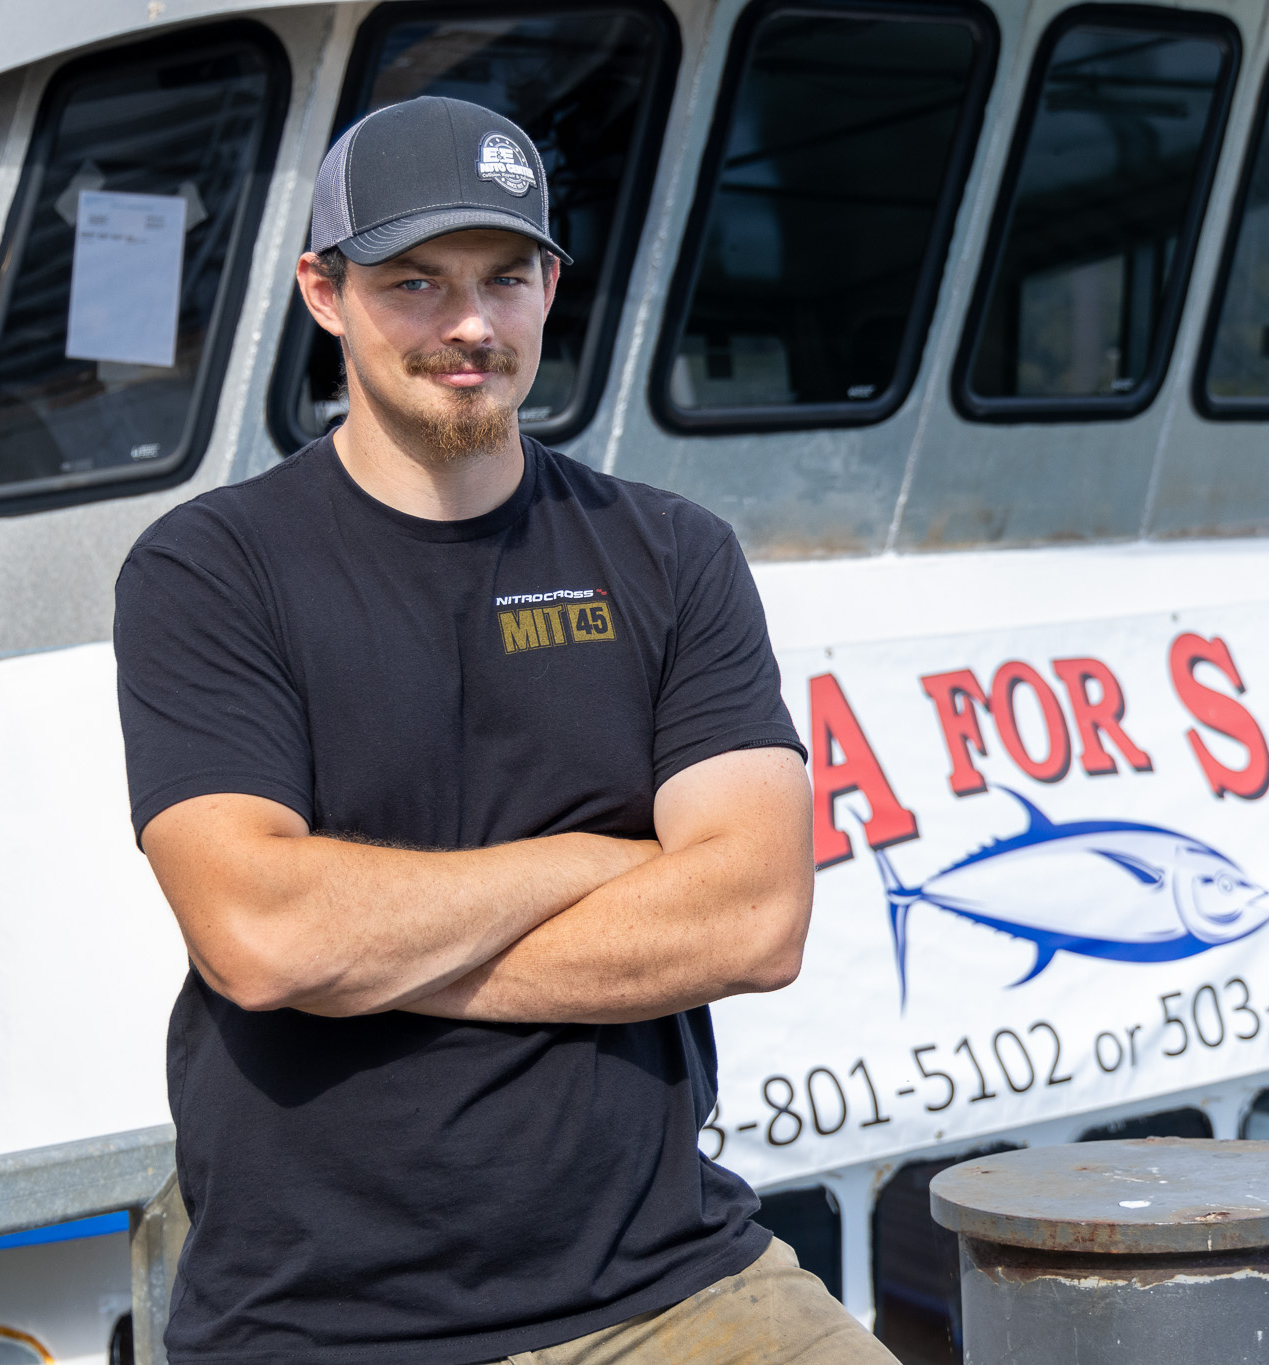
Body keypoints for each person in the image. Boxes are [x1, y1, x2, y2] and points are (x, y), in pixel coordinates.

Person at [115, 96, 896, 1365]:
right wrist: (600, 863)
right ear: (324, 292)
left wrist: (371, 955)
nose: (469, 325)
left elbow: (754, 919)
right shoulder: (210, 569)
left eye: (507, 277)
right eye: (415, 282)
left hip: (676, 1286)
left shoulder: (670, 554)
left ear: (548, 288)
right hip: (323, 1319)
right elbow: (261, 937)